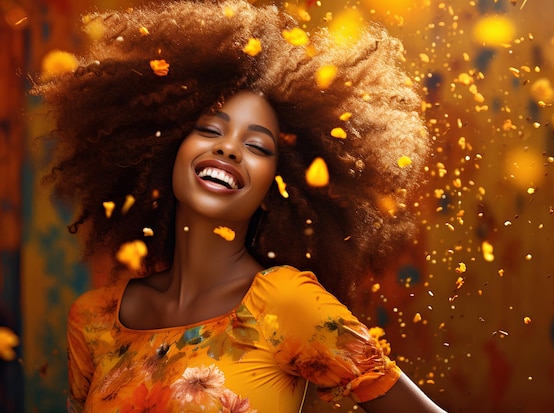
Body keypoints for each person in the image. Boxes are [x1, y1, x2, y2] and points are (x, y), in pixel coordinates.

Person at [33, 1, 445, 412]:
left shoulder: (287, 303)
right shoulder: (93, 319)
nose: (228, 148)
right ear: (166, 149)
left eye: (256, 146)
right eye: (210, 129)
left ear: (275, 186)